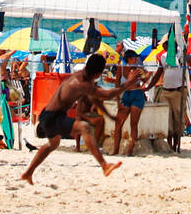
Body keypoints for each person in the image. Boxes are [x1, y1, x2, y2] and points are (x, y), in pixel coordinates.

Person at [21, 53, 122, 183]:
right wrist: (127, 84)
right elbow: (106, 95)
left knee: (52, 144)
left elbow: (95, 99)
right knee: (84, 127)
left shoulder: (83, 77)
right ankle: (104, 165)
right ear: (98, 74)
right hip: (52, 117)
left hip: (51, 114)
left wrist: (109, 116)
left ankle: (28, 173)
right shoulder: (81, 83)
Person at [111, 49, 154, 157]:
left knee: (133, 124)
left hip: (137, 95)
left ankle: (130, 150)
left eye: (136, 58)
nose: (136, 59)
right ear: (129, 58)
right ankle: (115, 150)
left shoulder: (139, 69)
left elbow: (145, 80)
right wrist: (117, 101)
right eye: (134, 58)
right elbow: (116, 85)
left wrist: (150, 72)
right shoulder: (121, 68)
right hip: (127, 95)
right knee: (118, 124)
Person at [147, 54, 187, 152]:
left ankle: (176, 145)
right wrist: (148, 87)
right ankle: (169, 145)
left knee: (178, 119)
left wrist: (186, 81)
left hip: (178, 91)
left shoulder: (181, 55)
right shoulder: (163, 57)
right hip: (165, 91)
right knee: (167, 119)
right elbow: (158, 74)